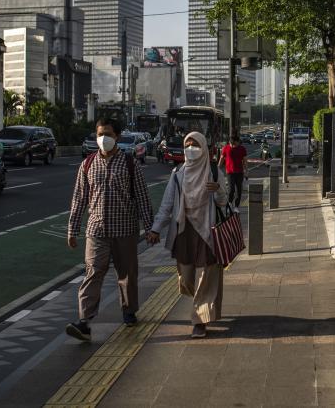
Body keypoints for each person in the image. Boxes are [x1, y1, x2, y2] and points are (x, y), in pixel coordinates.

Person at [65, 118, 154, 342]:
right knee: (93, 273)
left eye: (108, 134)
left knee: (127, 274)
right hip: (96, 230)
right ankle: (84, 321)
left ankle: (129, 310)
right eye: (99, 134)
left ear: (117, 137)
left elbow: (143, 198)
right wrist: (72, 229)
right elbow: (79, 199)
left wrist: (151, 228)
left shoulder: (130, 164)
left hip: (125, 230)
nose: (102, 138)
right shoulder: (87, 165)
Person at [147, 131, 227, 339]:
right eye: (187, 145)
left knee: (206, 278)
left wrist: (217, 189)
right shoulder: (178, 174)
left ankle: (199, 320)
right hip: (184, 231)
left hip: (207, 231)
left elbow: (224, 202)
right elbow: (167, 204)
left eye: (195, 145)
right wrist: (156, 228)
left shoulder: (214, 172)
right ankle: (201, 304)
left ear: (204, 148)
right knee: (186, 278)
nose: (191, 149)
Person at [218, 133, 248, 207]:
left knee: (239, 190)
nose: (232, 145)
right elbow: (221, 159)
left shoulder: (242, 149)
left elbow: (245, 161)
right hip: (230, 172)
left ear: (238, 142)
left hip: (239, 172)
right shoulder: (226, 148)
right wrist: (217, 168)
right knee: (231, 190)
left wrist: (246, 171)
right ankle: (230, 204)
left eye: (234, 143)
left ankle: (236, 206)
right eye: (231, 143)